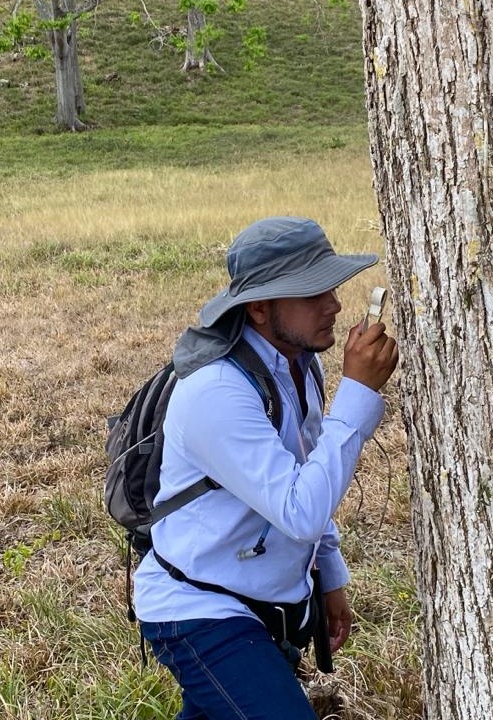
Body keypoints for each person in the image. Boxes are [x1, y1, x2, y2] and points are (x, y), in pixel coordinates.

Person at [133, 216, 399, 719]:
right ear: (258, 307)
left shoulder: (299, 362)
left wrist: (329, 575)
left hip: (262, 611)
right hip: (200, 613)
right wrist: (358, 394)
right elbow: (299, 509)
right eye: (312, 293)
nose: (335, 305)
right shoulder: (216, 391)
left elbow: (308, 467)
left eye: (332, 287)